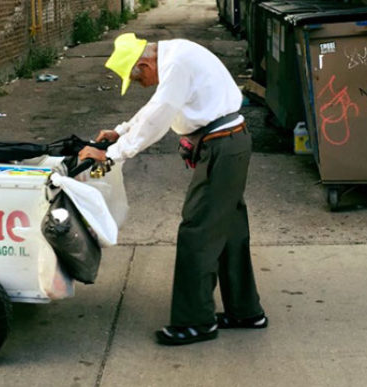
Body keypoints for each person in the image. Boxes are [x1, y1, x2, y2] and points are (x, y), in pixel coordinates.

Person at [78, 33, 267, 346]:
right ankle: (246, 312)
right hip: (229, 143)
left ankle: (195, 322)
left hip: (221, 147)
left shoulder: (176, 63)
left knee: (197, 231)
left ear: (144, 62)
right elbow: (157, 106)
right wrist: (122, 131)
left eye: (139, 79)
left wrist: (112, 154)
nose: (143, 84)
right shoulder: (174, 55)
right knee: (230, 230)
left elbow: (160, 113)